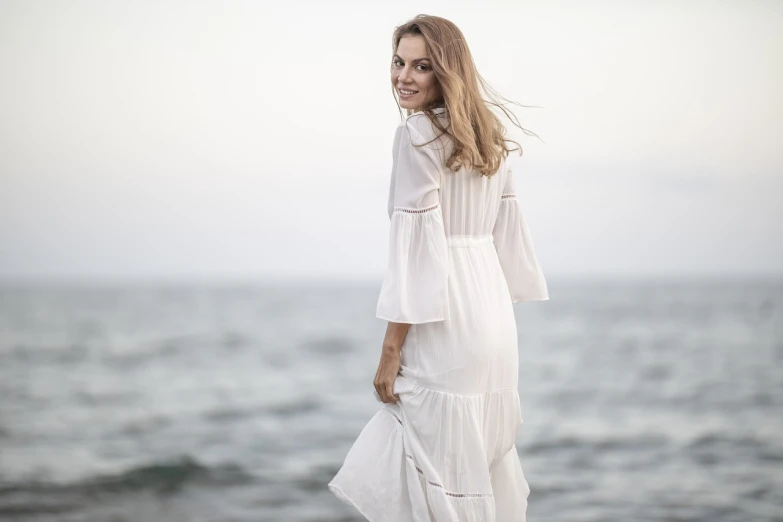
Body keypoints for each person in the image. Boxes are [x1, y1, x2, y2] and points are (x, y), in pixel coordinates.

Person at [328, 14, 549, 522]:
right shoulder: (488, 136)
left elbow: (418, 254)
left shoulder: (417, 135)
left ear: (446, 72)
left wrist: (390, 351)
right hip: (492, 322)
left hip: (444, 321)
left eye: (421, 66)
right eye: (398, 62)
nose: (404, 76)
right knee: (471, 464)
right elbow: (507, 242)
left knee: (431, 477)